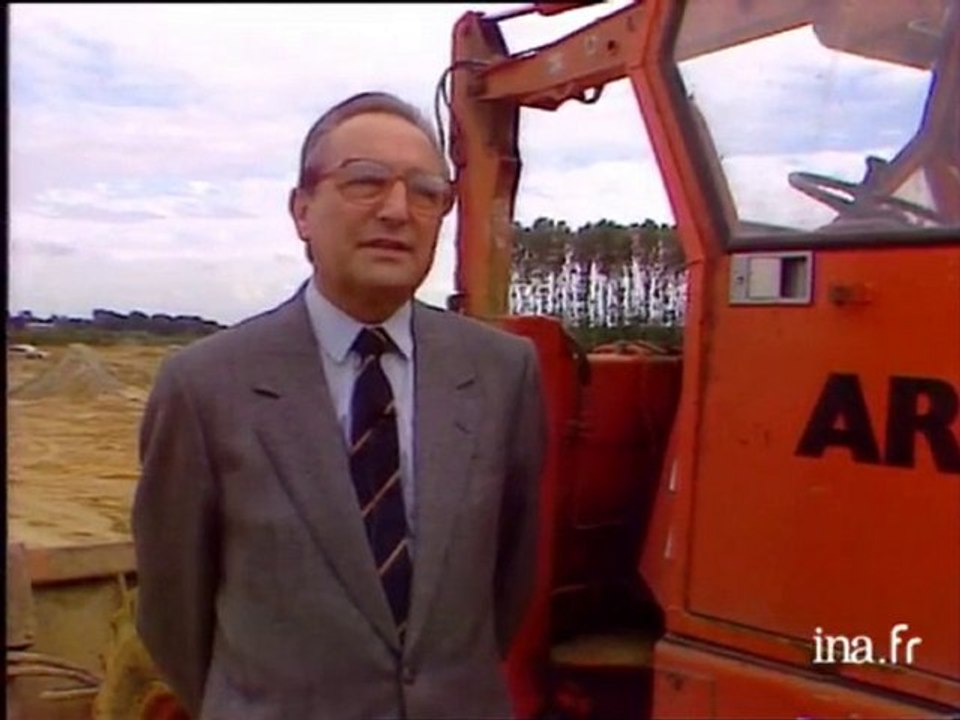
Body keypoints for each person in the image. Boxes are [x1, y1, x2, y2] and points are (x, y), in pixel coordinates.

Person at [132, 90, 548, 720]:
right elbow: (172, 610)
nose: (397, 210)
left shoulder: (503, 373)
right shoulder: (204, 387)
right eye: (366, 182)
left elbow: (509, 580)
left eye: (426, 192)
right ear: (302, 210)